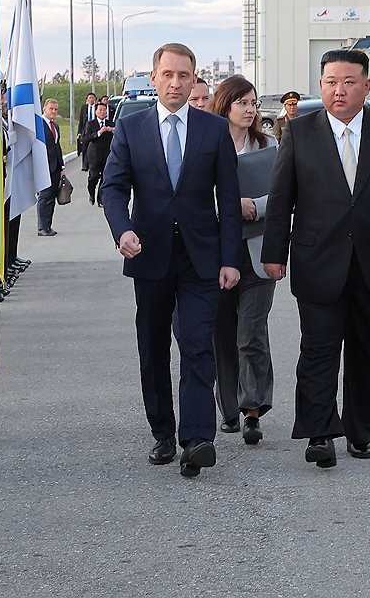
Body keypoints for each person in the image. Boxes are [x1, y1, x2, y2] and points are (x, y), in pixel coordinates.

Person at [262, 49, 370, 468]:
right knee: (318, 350)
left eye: (348, 82)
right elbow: (282, 196)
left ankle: (360, 431)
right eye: (330, 82)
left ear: (366, 86)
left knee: (368, 353)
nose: (339, 90)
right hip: (318, 259)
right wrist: (273, 253)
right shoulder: (299, 132)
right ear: (320, 85)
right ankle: (319, 433)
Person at [100, 43, 242, 478]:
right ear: (154, 76)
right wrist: (122, 230)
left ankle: (197, 438)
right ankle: (163, 431)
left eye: (184, 75)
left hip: (202, 257)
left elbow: (230, 201)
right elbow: (113, 188)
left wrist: (230, 258)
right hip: (150, 253)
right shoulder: (132, 127)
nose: (176, 83)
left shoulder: (213, 130)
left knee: (198, 345)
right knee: (153, 347)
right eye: (168, 75)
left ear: (195, 77)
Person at [208, 75, 278, 445]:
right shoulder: (207, 145)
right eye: (243, 103)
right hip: (217, 254)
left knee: (250, 333)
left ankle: (253, 409)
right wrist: (227, 207)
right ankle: (229, 409)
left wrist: (255, 207)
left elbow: (286, 196)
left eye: (254, 103)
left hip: (259, 252)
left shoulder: (270, 146)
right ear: (226, 105)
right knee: (223, 336)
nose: (251, 110)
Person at [36, 98, 64, 237]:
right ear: (44, 109)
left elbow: (57, 146)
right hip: (43, 166)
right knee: (44, 196)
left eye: (55, 109)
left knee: (52, 197)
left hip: (55, 167)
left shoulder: (56, 126)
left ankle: (48, 225)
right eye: (51, 109)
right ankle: (41, 227)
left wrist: (61, 166)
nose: (53, 111)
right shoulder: (38, 125)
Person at [82, 102, 113, 205]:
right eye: (100, 110)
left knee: (105, 177)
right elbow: (86, 137)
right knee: (93, 176)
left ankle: (101, 199)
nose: (102, 112)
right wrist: (99, 132)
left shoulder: (110, 123)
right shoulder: (90, 124)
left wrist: (112, 130)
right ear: (96, 112)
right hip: (94, 154)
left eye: (104, 110)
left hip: (107, 153)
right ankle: (91, 193)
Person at [78, 92, 97, 171]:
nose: (91, 99)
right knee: (85, 148)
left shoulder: (97, 107)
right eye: (89, 98)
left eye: (92, 98)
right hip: (85, 130)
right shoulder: (84, 108)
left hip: (95, 129)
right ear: (87, 99)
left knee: (94, 148)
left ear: (95, 99)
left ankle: (94, 165)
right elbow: (81, 121)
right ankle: (85, 165)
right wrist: (79, 132)